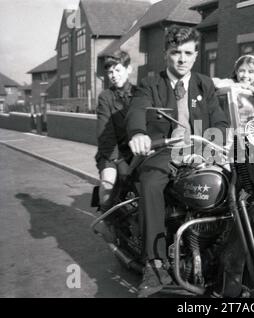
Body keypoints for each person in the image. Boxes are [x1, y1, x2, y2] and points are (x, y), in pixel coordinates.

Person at [126, 25, 229, 297]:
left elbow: (219, 119)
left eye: (187, 53)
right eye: (175, 53)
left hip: (200, 151)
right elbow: (137, 110)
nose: (181, 59)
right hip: (163, 152)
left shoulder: (204, 84)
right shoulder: (151, 83)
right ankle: (155, 262)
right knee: (150, 183)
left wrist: (220, 139)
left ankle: (220, 249)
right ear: (166, 54)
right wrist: (138, 133)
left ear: (196, 56)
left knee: (230, 184)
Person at [95, 50, 135, 209]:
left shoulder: (140, 93)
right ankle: (107, 222)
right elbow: (105, 135)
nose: (113, 75)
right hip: (112, 153)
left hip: (137, 152)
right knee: (108, 185)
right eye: (110, 72)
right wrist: (119, 161)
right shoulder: (105, 97)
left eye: (117, 70)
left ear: (129, 69)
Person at [213, 55, 254, 124]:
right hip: (231, 124)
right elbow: (216, 83)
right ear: (236, 71)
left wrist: (249, 87)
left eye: (250, 72)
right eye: (242, 71)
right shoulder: (233, 81)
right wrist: (239, 85)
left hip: (252, 126)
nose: (245, 75)